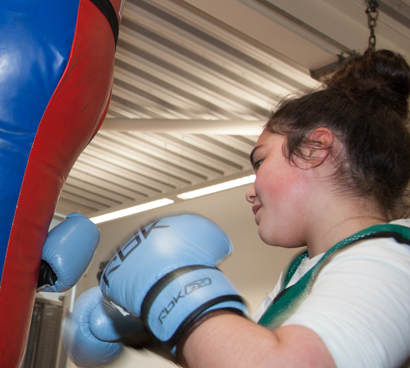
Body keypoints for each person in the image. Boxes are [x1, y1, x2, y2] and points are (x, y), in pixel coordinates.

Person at [64, 48, 410, 368]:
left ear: (315, 149)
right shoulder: (302, 273)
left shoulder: (393, 260)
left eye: (260, 161)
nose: (251, 190)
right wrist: (143, 327)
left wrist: (168, 288)